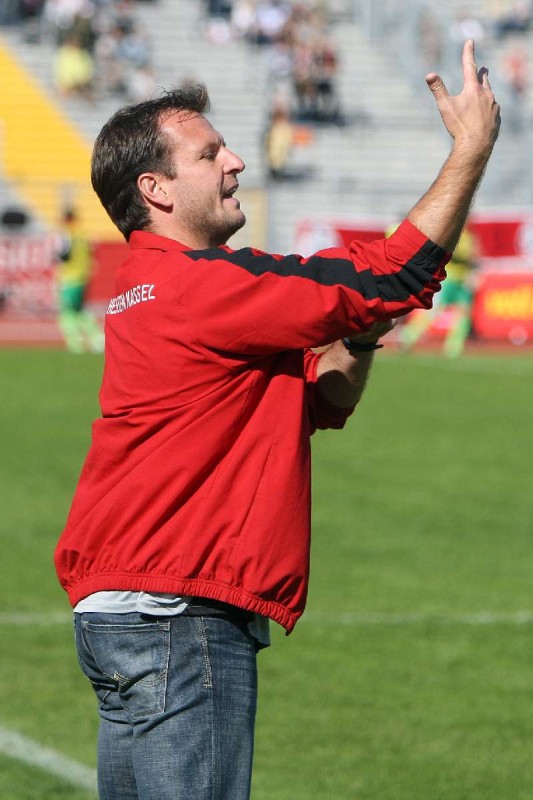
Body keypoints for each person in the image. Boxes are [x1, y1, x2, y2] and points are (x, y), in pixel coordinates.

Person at [54, 40, 500, 800]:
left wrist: (360, 336)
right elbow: (394, 273)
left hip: (130, 609)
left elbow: (323, 398)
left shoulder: (150, 286)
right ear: (155, 189)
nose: (235, 162)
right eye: (209, 154)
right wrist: (470, 150)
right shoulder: (200, 286)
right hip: (179, 612)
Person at [398, 226, 479, 357]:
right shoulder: (452, 234)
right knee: (433, 310)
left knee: (464, 313)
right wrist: (465, 257)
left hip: (463, 280)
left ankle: (454, 348)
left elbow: (475, 258)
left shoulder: (470, 238)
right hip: (447, 278)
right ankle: (409, 336)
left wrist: (474, 272)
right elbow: (450, 253)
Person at [56, 207, 104, 353]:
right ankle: (97, 338)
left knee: (67, 312)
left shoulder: (67, 234)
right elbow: (91, 254)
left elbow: (64, 255)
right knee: (80, 309)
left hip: (70, 278)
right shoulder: (83, 234)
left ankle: (75, 343)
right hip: (82, 277)